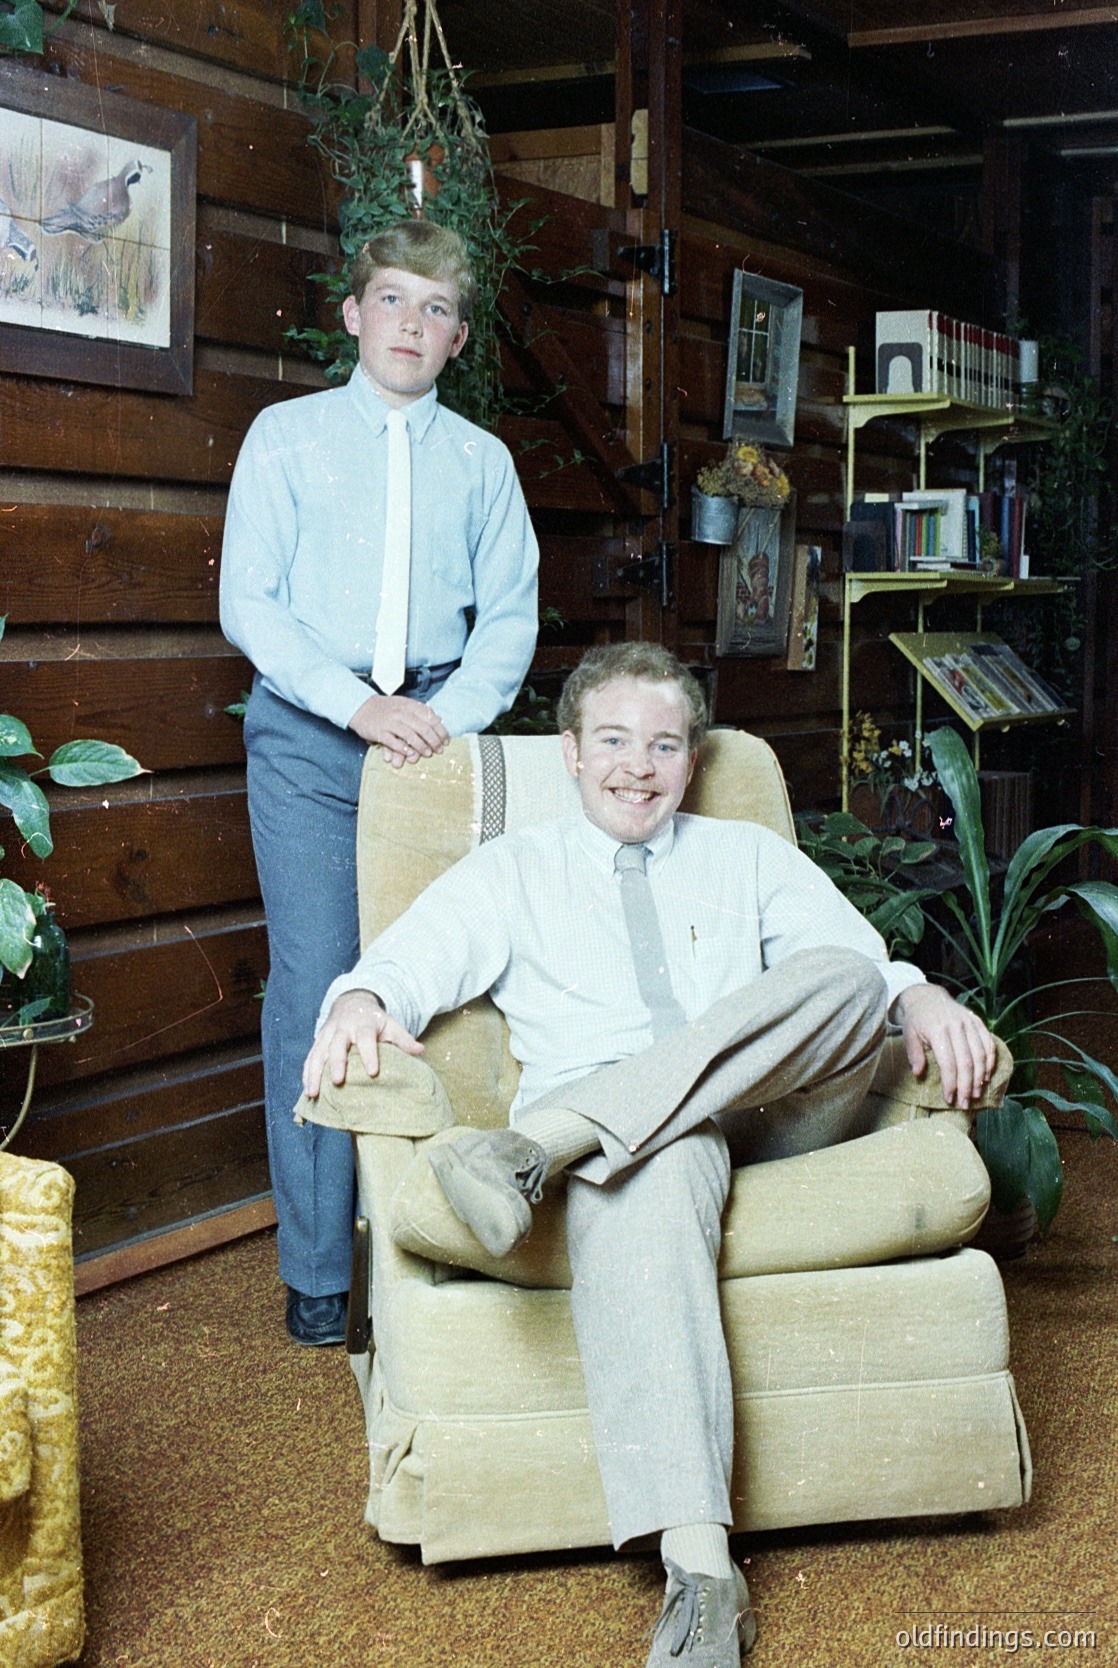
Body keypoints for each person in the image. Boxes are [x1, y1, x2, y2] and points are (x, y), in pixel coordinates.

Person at [303, 642, 996, 1664]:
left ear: (689, 756)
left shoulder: (744, 855)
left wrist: (921, 993)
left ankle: (540, 1148)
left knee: (845, 981)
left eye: (663, 744)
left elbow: (857, 972)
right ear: (572, 753)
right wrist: (357, 1002)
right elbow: (400, 967)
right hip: (642, 1151)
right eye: (615, 741)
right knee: (651, 1160)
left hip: (760, 1114)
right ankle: (702, 1575)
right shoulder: (511, 869)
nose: (639, 765)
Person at [220, 220, 538, 1346]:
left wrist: (437, 724)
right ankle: (318, 1270)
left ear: (457, 338)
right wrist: (355, 707)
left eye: (438, 309)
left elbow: (507, 621)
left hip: (438, 740)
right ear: (352, 315)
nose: (414, 324)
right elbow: (249, 601)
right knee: (315, 981)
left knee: (440, 980)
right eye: (393, 301)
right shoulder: (285, 437)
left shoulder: (481, 464)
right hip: (313, 732)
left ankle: (435, 1241)